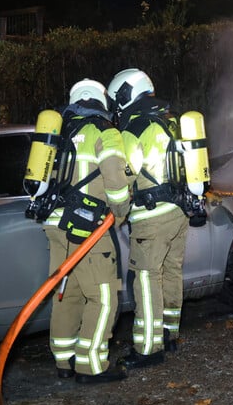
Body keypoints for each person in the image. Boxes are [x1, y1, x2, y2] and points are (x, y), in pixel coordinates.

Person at [43, 79, 132, 383]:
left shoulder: (57, 132)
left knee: (66, 292)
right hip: (88, 227)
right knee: (104, 297)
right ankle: (91, 365)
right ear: (102, 101)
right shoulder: (106, 132)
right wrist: (121, 213)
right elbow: (116, 181)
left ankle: (64, 360)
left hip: (55, 224)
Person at [107, 68, 188, 369]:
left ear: (127, 95)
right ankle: (170, 334)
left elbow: (123, 179)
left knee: (145, 278)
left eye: (117, 99)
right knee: (170, 273)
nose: (116, 106)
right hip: (178, 211)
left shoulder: (134, 129)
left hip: (151, 217)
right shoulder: (170, 121)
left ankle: (148, 348)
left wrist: (116, 210)